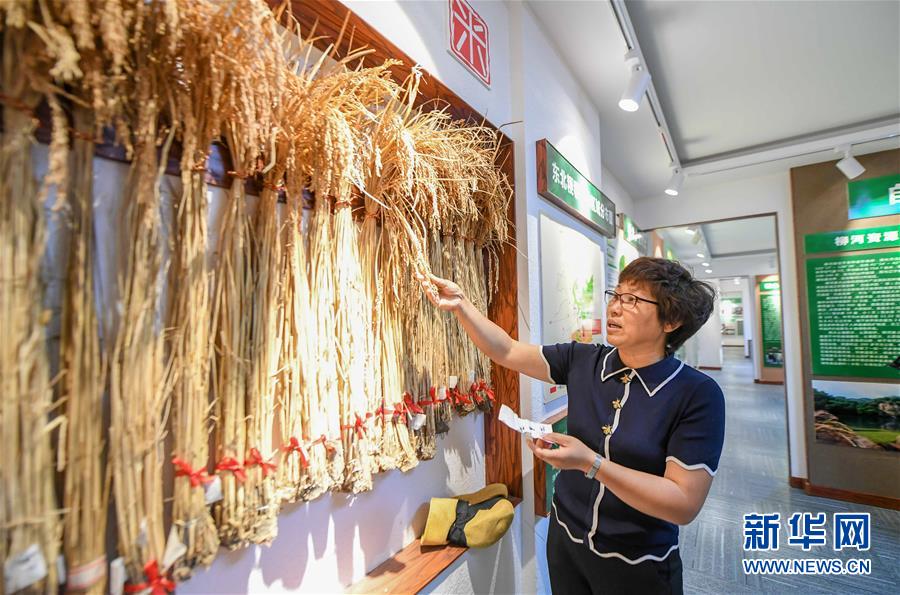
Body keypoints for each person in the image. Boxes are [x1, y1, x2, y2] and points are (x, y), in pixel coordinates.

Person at [420, 256, 724, 594]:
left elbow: (682, 502)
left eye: (632, 300)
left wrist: (590, 463)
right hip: (565, 541)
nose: (615, 308)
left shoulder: (696, 394)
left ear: (672, 320)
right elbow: (506, 350)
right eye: (616, 294)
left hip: (638, 563)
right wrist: (462, 305)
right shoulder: (584, 359)